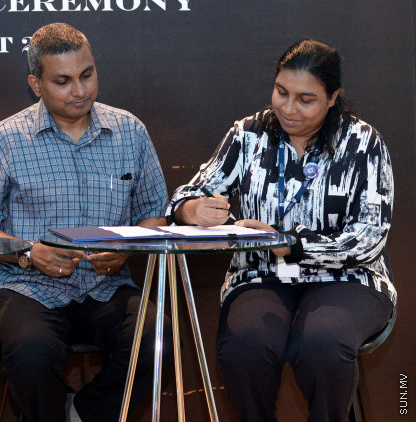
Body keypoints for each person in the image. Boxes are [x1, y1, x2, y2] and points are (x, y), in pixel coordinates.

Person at [168, 39, 395, 422]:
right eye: (281, 92)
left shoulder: (363, 143)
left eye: (306, 99)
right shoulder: (249, 134)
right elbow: (187, 195)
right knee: (246, 347)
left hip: (349, 278)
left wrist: (289, 243)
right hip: (262, 274)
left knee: (322, 344)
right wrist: (193, 210)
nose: (288, 108)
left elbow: (369, 238)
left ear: (332, 98)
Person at [0, 22, 171, 422]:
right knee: (33, 352)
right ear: (36, 84)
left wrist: (126, 248)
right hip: (24, 286)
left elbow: (153, 212)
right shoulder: (2, 140)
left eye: (87, 75)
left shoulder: (130, 132)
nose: (80, 90)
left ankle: (82, 414)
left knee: (157, 341)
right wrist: (28, 253)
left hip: (106, 286)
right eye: (63, 81)